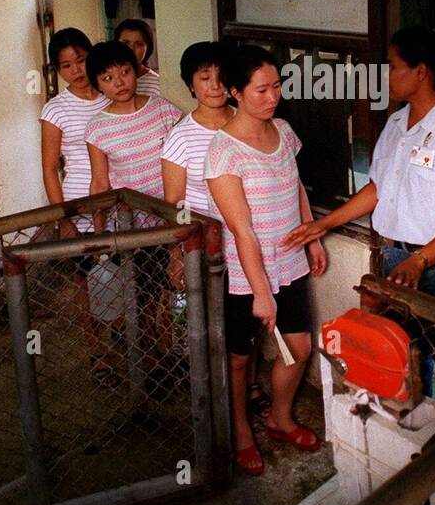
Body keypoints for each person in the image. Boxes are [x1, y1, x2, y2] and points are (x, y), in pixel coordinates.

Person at [282, 26, 435, 412]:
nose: (386, 76)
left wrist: (420, 260)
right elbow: (379, 188)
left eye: (393, 67)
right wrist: (323, 224)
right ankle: (420, 446)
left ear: (421, 71)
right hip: (397, 262)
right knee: (408, 363)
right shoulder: (396, 125)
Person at [204, 45, 327, 476]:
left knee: (299, 347)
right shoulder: (222, 153)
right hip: (247, 274)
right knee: (240, 358)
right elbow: (242, 230)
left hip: (290, 262)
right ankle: (241, 432)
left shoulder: (284, 131)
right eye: (260, 90)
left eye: (276, 86)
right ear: (235, 91)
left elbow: (296, 188)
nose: (271, 96)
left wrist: (312, 236)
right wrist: (260, 293)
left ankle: (280, 417)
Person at [160, 41, 272, 418]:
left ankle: (250, 383)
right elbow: (174, 203)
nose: (214, 86)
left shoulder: (250, 122)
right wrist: (177, 255)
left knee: (249, 322)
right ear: (190, 85)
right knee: (214, 323)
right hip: (207, 249)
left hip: (252, 242)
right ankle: (217, 392)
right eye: (204, 78)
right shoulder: (180, 136)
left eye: (221, 77)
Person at [83, 41, 183, 386]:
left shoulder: (165, 111)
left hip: (171, 222)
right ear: (97, 85)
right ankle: (151, 365)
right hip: (130, 228)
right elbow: (100, 182)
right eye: (108, 77)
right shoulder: (97, 128)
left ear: (137, 69)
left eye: (124, 71)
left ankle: (168, 362)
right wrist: (98, 234)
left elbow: (185, 161)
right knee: (140, 299)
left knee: (167, 297)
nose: (120, 81)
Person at [38, 28, 111, 375]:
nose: (77, 70)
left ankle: (136, 347)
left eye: (81, 60)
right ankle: (97, 351)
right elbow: (50, 169)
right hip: (79, 206)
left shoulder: (112, 92)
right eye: (66, 65)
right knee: (86, 281)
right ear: (57, 70)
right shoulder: (56, 109)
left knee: (125, 275)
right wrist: (63, 219)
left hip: (117, 200)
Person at [116, 18, 160, 97]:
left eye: (139, 44)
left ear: (148, 49)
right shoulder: (105, 80)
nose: (131, 49)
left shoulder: (157, 85)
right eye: (126, 43)